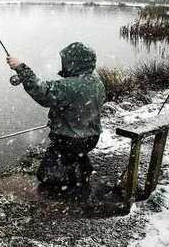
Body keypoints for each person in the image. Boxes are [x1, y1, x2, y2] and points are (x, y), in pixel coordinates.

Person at [7, 42, 105, 194]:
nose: (63, 64)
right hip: (91, 138)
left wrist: (21, 68)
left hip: (68, 141)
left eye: (66, 61)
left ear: (74, 63)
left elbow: (42, 92)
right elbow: (78, 100)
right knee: (76, 155)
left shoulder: (68, 86)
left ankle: (69, 189)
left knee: (46, 176)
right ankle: (82, 173)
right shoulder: (97, 83)